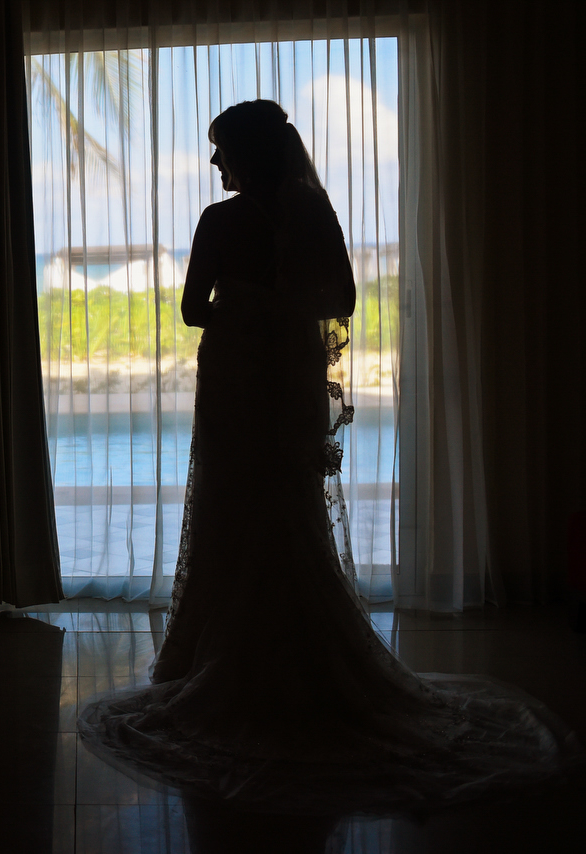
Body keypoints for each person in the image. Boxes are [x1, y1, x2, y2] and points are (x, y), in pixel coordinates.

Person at [78, 100, 579, 814]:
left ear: (247, 156)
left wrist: (241, 310)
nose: (215, 163)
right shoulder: (313, 216)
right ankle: (304, 654)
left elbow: (193, 311)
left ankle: (218, 658)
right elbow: (340, 297)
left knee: (231, 513)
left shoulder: (219, 223)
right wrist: (281, 312)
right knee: (291, 510)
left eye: (222, 150)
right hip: (286, 384)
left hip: (234, 383)